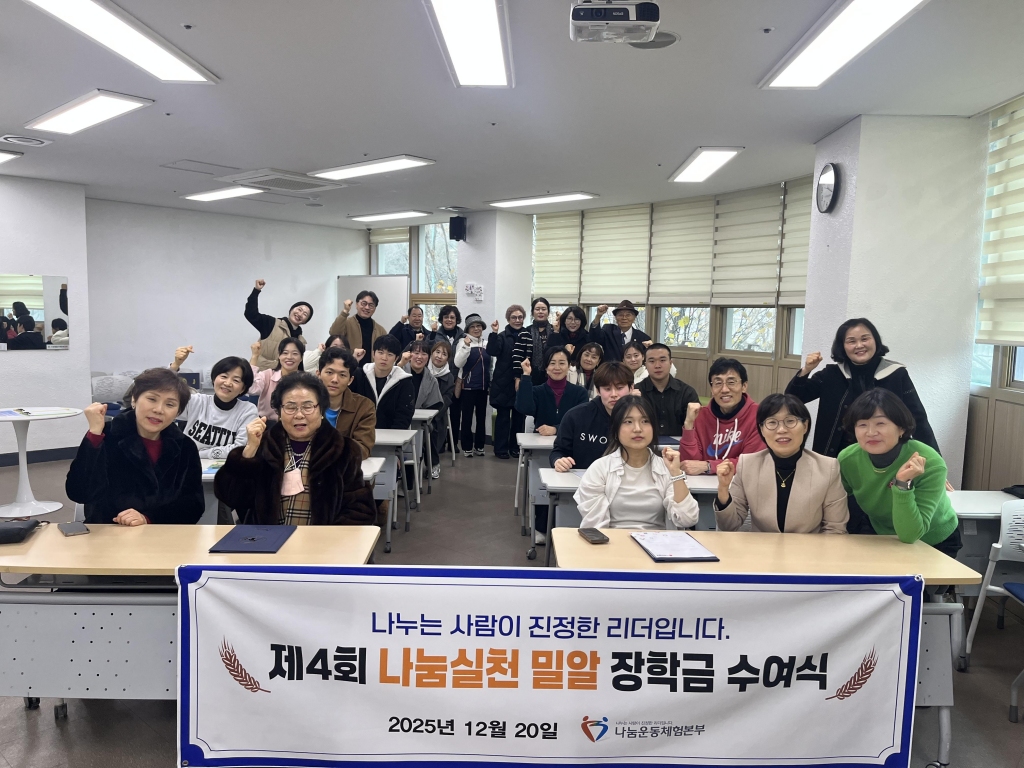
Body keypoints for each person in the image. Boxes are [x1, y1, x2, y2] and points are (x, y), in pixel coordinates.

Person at [214, 372, 375, 526]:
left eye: (308, 406)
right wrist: (249, 451)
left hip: (321, 542)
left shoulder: (342, 450)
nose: (299, 415)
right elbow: (231, 497)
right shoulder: (263, 446)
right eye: (290, 407)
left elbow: (359, 509)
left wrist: (328, 538)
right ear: (279, 412)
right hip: (267, 540)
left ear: (321, 410)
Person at [66, 368, 203, 525]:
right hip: (110, 531)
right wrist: (94, 433)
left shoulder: (185, 446)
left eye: (170, 404)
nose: (159, 410)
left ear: (178, 412)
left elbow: (194, 504)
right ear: (134, 400)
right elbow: (80, 493)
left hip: (161, 533)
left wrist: (148, 518)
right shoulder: (106, 436)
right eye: (152, 399)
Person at [786, 317, 939, 458]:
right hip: (836, 457)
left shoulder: (896, 374)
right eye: (851, 341)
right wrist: (806, 370)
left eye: (865, 339)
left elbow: (917, 418)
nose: (859, 345)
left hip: (884, 457)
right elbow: (793, 398)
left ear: (875, 341)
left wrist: (933, 459)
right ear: (842, 346)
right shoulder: (831, 374)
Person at [838, 389, 960, 555]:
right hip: (881, 535)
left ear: (901, 428)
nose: (871, 432)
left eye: (880, 423)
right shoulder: (848, 459)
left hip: (933, 541)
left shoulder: (930, 463)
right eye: (862, 425)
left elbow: (910, 535)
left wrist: (903, 484)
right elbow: (837, 500)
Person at [714, 394, 848, 534]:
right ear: (761, 429)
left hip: (808, 547)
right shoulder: (747, 464)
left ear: (805, 426)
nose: (781, 430)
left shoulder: (828, 468)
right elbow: (729, 526)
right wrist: (723, 489)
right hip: (760, 547)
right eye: (772, 422)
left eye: (790, 421)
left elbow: (835, 529)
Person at [576, 396, 698, 530]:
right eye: (628, 422)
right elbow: (595, 527)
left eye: (645, 421)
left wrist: (676, 473)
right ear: (615, 429)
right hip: (612, 540)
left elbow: (688, 519)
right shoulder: (599, 469)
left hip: (658, 541)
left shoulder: (667, 468)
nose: (638, 429)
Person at [516, 347, 589, 537]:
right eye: (552, 363)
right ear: (546, 367)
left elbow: (581, 422)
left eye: (562, 363)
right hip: (541, 449)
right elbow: (524, 407)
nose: (557, 367)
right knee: (542, 487)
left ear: (569, 366)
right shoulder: (538, 391)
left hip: (571, 450)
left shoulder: (579, 393)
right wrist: (526, 376)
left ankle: (569, 523)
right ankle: (542, 526)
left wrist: (556, 428)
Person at [679, 358, 766, 475]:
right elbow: (688, 465)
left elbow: (751, 462)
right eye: (718, 383)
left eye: (731, 382)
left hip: (742, 484)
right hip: (703, 484)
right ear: (712, 389)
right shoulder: (700, 415)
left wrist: (709, 466)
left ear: (744, 386)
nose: (724, 390)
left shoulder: (759, 415)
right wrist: (688, 425)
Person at [169, 346, 259, 460]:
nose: (228, 383)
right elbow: (164, 399)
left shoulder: (247, 411)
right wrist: (175, 366)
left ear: (243, 389)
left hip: (225, 467)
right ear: (214, 379)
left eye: (236, 380)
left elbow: (240, 449)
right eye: (224, 376)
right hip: (188, 464)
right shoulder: (196, 401)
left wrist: (198, 454)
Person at [551, 362, 634, 474]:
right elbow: (558, 451)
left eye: (619, 388)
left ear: (631, 388)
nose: (614, 394)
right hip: (583, 479)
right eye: (607, 389)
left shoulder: (641, 418)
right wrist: (558, 461)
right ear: (598, 391)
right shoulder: (576, 416)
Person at [317, 346, 376, 459]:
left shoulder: (364, 407)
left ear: (350, 380)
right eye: (329, 372)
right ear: (318, 374)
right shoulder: (304, 403)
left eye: (342, 375)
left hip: (345, 467)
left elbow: (363, 448)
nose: (335, 379)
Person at [244, 279, 313, 371]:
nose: (300, 314)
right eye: (299, 309)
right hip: (262, 374)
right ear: (291, 310)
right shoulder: (271, 323)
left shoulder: (301, 341)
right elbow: (251, 314)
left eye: (305, 314)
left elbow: (299, 366)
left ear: (305, 321)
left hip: (285, 378)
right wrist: (256, 290)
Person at [487, 305, 527, 459]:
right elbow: (492, 351)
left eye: (520, 317)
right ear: (508, 319)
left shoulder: (527, 336)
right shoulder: (502, 336)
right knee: (503, 418)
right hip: (503, 383)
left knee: (519, 418)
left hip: (522, 381)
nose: (517, 320)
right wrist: (494, 333)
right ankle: (501, 449)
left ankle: (515, 448)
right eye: (513, 317)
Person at [352, 334, 416, 430]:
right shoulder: (359, 376)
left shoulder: (404, 382)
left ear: (396, 358)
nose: (384, 358)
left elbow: (403, 417)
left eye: (390, 354)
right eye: (380, 353)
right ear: (373, 354)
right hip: (359, 433)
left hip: (391, 436)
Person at [637, 343, 700, 438]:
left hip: (680, 445)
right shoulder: (636, 392)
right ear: (645, 365)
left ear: (670, 363)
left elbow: (697, 427)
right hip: (644, 444)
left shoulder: (687, 393)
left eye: (662, 360)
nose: (657, 365)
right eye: (652, 361)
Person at [453, 314, 491, 457]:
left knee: (481, 418)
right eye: (472, 327)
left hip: (483, 387)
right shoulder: (462, 342)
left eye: (478, 326)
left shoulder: (486, 344)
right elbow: (458, 363)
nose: (476, 329)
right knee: (467, 418)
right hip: (467, 387)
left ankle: (480, 446)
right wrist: (466, 346)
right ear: (468, 329)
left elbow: (490, 366)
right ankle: (467, 447)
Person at [429, 305, 466, 450]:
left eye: (452, 317)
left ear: (457, 320)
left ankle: (453, 443)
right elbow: (429, 350)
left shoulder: (463, 336)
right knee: (440, 412)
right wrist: (432, 335)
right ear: (441, 319)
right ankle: (438, 443)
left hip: (457, 379)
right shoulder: (435, 335)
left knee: (456, 413)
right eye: (446, 317)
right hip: (438, 379)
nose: (449, 320)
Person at [249, 337, 304, 422]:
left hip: (295, 424)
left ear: (301, 357)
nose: (289, 357)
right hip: (266, 424)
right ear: (279, 355)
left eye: (295, 353)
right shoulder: (268, 375)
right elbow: (252, 389)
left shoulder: (305, 381)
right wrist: (254, 356)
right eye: (285, 353)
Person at [330, 291, 387, 360]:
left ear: (375, 309)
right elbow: (334, 333)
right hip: (349, 364)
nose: (367, 307)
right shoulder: (347, 323)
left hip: (372, 366)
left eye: (371, 305)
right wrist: (345, 311)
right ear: (356, 304)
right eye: (364, 303)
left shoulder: (380, 330)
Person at [428, 341, 455, 477]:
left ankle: (434, 463)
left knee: (435, 429)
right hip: (419, 411)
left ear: (447, 359)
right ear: (431, 353)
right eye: (437, 352)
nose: (439, 356)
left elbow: (447, 399)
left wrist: (434, 414)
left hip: (438, 415)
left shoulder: (449, 377)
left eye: (444, 354)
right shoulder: (423, 370)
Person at [513, 298, 554, 387]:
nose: (540, 312)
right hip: (530, 376)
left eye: (543, 309)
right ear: (532, 312)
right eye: (537, 309)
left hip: (551, 375)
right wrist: (517, 378)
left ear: (548, 312)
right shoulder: (525, 332)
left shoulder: (554, 331)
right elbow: (518, 357)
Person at [403, 339, 444, 411]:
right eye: (416, 353)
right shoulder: (400, 372)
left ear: (428, 358)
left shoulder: (432, 380)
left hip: (421, 416)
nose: (420, 357)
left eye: (424, 354)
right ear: (409, 355)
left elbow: (434, 405)